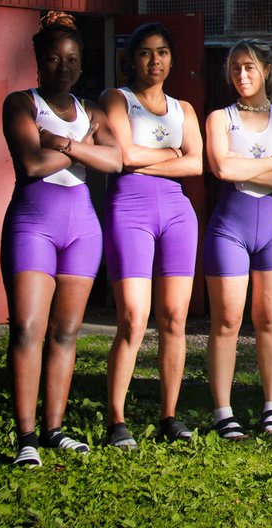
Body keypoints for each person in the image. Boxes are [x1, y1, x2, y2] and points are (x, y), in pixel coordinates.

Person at [1, 12, 122, 466]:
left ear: (81, 63)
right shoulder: (21, 103)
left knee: (67, 331)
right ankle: (26, 437)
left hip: (82, 229)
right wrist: (84, 148)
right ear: (39, 60)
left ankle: (53, 429)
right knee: (28, 329)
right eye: (54, 58)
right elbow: (30, 165)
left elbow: (116, 161)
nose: (63, 66)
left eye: (72, 58)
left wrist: (65, 144)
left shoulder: (93, 110)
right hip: (34, 224)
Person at [102, 22, 204, 448]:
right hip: (130, 209)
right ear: (131, 59)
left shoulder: (184, 109)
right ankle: (116, 420)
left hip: (178, 213)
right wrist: (169, 155)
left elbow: (197, 164)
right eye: (145, 52)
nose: (154, 60)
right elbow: (121, 155)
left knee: (175, 319)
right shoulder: (116, 99)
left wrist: (147, 160)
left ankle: (169, 415)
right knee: (132, 318)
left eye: (162, 52)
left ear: (172, 59)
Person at [203, 40, 272, 439]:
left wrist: (246, 166)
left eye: (248, 67)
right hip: (230, 230)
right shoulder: (219, 119)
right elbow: (222, 169)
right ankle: (223, 411)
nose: (242, 76)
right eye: (234, 69)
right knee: (227, 321)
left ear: (266, 69)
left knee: (270, 321)